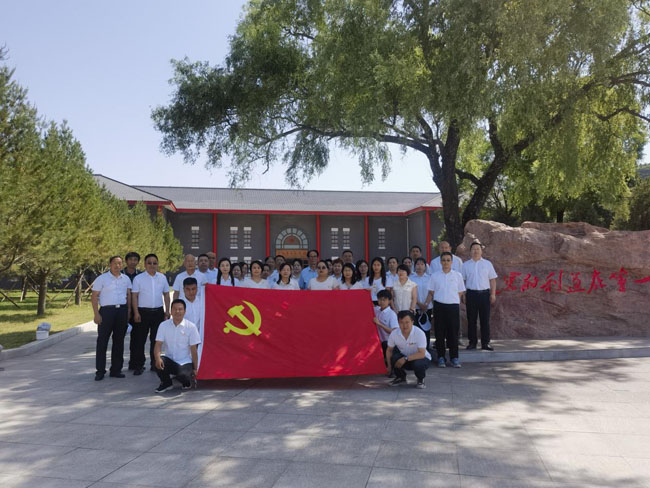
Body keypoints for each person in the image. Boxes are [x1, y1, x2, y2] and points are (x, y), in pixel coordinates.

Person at [91, 256, 132, 381]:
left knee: (119, 342)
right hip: (106, 312)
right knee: (102, 341)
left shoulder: (126, 279)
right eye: (115, 263)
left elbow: (128, 295)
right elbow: (94, 296)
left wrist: (128, 311)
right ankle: (100, 371)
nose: (117, 265)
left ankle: (116, 370)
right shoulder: (102, 278)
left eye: (120, 263)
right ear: (110, 264)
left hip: (122, 311)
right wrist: (96, 314)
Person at [130, 253, 170, 375]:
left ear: (157, 264)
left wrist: (167, 311)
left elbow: (166, 295)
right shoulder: (138, 278)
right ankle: (139, 365)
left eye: (154, 263)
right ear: (145, 264)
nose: (152, 265)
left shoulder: (162, 277)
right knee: (139, 340)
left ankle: (155, 363)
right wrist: (136, 312)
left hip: (158, 312)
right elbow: (134, 296)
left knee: (156, 340)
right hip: (142, 312)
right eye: (149, 263)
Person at [426, 252, 466, 367]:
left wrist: (452, 299)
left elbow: (460, 291)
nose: (446, 262)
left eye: (448, 260)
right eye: (444, 260)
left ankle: (454, 358)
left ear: (452, 262)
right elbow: (431, 291)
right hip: (439, 306)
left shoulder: (457, 275)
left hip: (453, 306)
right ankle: (441, 357)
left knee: (453, 333)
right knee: (439, 333)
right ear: (440, 262)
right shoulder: (435, 276)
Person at [153, 299, 201, 393]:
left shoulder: (191, 327)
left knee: (182, 375)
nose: (177, 311)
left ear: (185, 311)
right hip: (170, 359)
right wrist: (157, 358)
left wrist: (195, 369)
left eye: (180, 309)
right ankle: (166, 383)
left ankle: (186, 381)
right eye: (175, 309)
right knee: (157, 362)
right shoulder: (163, 325)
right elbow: (158, 344)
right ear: (171, 311)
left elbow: (194, 350)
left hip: (185, 361)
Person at [462, 241, 497, 351]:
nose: (476, 251)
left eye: (478, 249)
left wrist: (493, 294)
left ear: (481, 251)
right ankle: (472, 342)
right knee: (471, 320)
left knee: (484, 320)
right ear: (470, 251)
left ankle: (485, 343)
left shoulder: (487, 264)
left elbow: (492, 280)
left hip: (484, 295)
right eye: (473, 249)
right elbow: (462, 281)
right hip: (471, 294)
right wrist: (463, 294)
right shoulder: (465, 265)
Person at [386, 310, 431, 389]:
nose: (404, 325)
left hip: (421, 358)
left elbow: (422, 354)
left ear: (412, 322)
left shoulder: (419, 333)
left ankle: (421, 379)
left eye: (407, 322)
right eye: (401, 322)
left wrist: (405, 358)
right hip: (406, 358)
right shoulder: (394, 334)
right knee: (394, 357)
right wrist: (389, 366)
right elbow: (389, 350)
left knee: (418, 363)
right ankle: (400, 377)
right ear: (398, 323)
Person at [410, 257, 433, 350]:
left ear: (425, 266)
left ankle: (426, 349)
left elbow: (431, 292)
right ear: (414, 266)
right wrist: (419, 304)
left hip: (427, 307)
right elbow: (410, 294)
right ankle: (416, 349)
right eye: (417, 264)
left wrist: (426, 304)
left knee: (426, 329)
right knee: (415, 329)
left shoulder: (429, 278)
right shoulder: (411, 278)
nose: (419, 266)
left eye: (422, 264)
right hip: (415, 307)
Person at [373, 289, 399, 366]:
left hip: (388, 343)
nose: (382, 302)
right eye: (380, 299)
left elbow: (394, 331)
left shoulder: (392, 314)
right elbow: (368, 304)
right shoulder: (376, 310)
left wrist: (379, 324)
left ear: (389, 301)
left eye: (384, 300)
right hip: (377, 342)